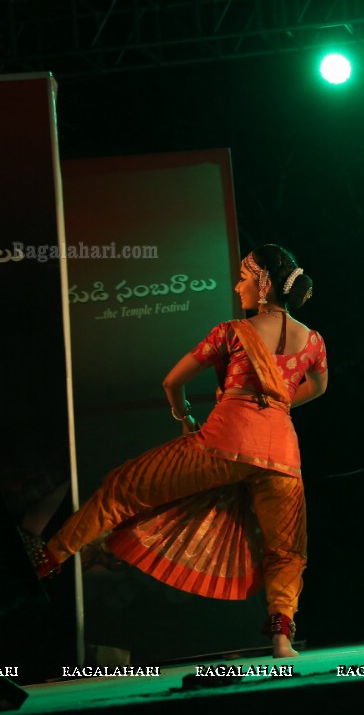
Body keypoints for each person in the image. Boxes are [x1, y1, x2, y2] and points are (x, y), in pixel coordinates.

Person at [26, 244, 327, 658]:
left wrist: (183, 414)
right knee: (286, 550)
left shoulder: (232, 332)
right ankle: (281, 638)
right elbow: (319, 387)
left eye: (243, 276)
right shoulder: (313, 340)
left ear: (264, 284)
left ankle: (48, 558)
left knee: (123, 487)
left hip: (224, 442)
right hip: (282, 456)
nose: (236, 285)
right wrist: (276, 404)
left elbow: (172, 382)